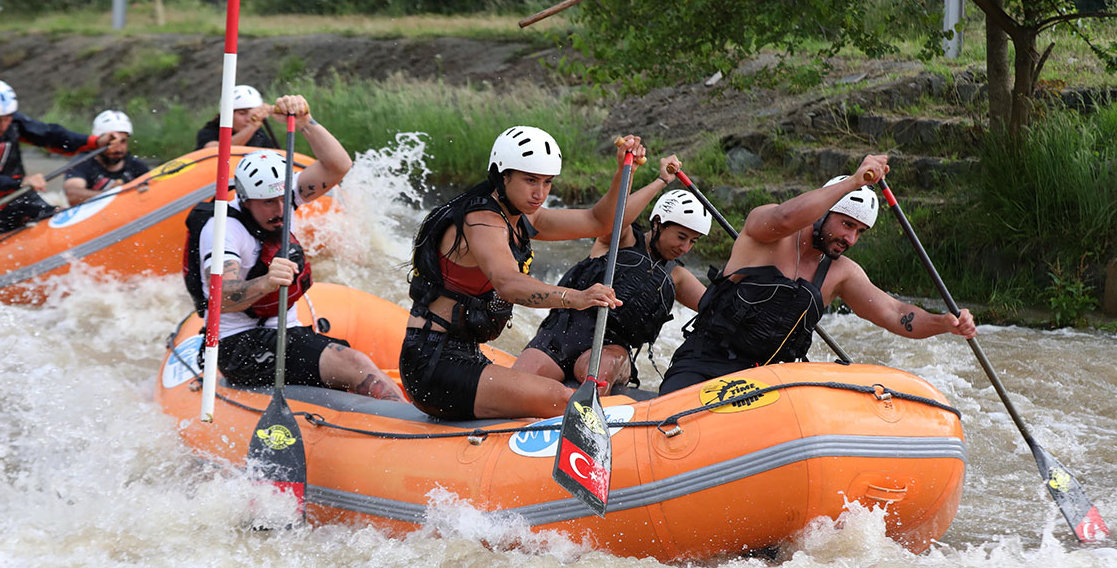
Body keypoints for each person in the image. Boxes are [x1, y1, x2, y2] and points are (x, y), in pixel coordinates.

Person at [658, 156, 978, 395]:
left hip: (770, 380)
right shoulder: (765, 232)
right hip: (705, 362)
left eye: (860, 231)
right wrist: (854, 181)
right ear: (823, 212)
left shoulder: (841, 274)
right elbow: (785, 217)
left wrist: (945, 323)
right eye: (847, 224)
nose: (851, 239)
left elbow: (895, 314)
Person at [401, 126, 646, 421]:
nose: (539, 193)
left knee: (557, 396)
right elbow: (507, 283)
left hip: (466, 354)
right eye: (530, 180)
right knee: (565, 400)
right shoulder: (481, 220)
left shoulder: (523, 217)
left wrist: (623, 172)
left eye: (547, 183)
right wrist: (576, 297)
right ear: (502, 176)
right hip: (434, 363)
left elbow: (599, 221)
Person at [183, 95, 405, 402]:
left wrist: (304, 122)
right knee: (354, 364)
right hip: (238, 345)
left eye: (283, 199)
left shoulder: (280, 196)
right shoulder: (222, 231)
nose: (280, 210)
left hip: (285, 332)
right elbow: (221, 299)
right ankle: (407, 426)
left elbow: (338, 166)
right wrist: (266, 282)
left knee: (346, 364)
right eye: (268, 204)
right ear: (245, 201)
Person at [513, 157, 712, 390]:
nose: (685, 248)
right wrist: (661, 180)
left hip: (612, 350)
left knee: (600, 366)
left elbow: (717, 307)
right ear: (658, 223)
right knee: (517, 386)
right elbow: (612, 218)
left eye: (693, 241)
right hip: (563, 332)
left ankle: (591, 409)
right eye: (681, 237)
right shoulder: (619, 238)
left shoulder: (677, 277)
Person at [0, 79, 113, 235]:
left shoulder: (13, 122)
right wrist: (19, 181)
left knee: (52, 214)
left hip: (19, 195)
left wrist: (95, 141)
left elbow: (50, 135)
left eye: (7, 118)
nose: (2, 125)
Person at [63, 110, 150, 206]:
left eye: (123, 141)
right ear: (100, 141)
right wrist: (111, 194)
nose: (118, 148)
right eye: (112, 142)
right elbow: (72, 194)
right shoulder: (82, 162)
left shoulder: (136, 165)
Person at [195, 85, 280, 150]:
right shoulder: (210, 131)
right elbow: (213, 150)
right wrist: (252, 127)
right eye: (242, 113)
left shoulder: (258, 133)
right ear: (226, 114)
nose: (248, 119)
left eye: (253, 113)